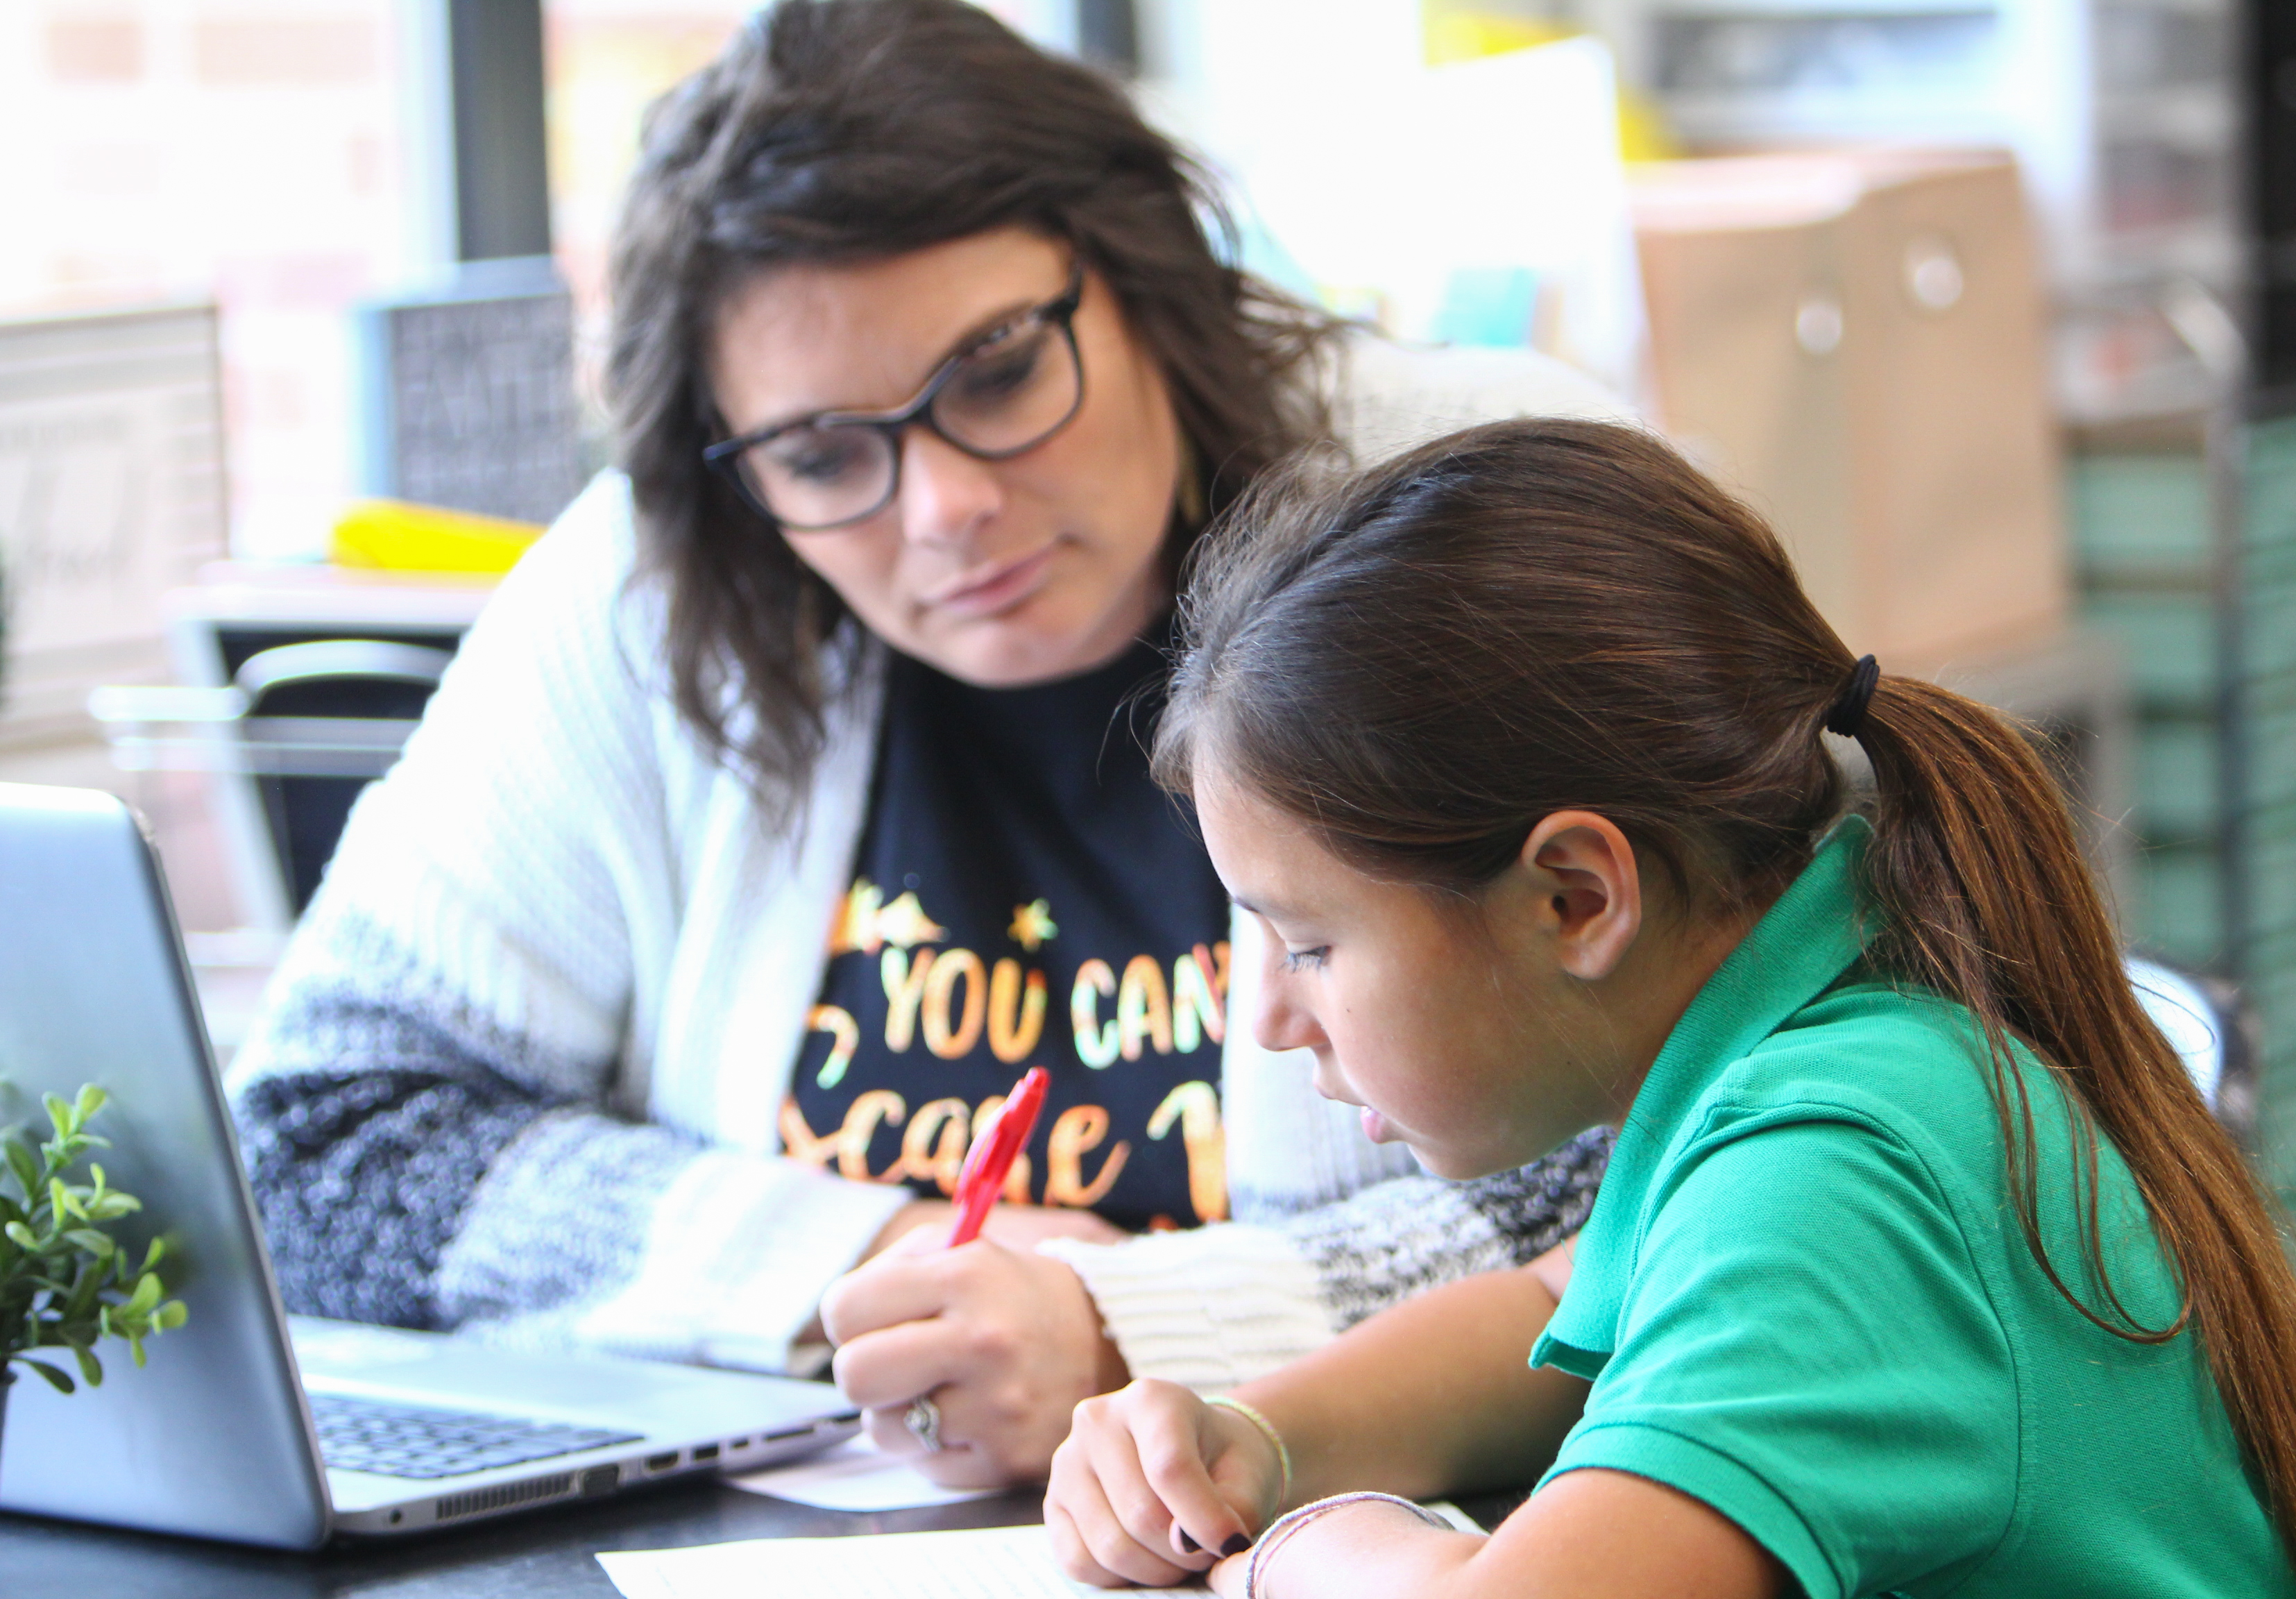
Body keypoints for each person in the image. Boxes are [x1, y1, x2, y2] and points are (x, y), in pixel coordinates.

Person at [226, 0, 1628, 1487]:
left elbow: (1720, 1157)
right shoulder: (652, 589)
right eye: (825, 455)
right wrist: (870, 1267)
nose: (944, 506)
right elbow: (324, 1146)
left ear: (1141, 275)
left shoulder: (1470, 506)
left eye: (1000, 373)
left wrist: (1121, 1332)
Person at [1044, 417, 2296, 1598]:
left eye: (1313, 943)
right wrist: (1254, 1439)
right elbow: (1558, 1321)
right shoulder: (1820, 1030)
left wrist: (1299, 1545)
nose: (1274, 1019)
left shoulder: (1838, 1167)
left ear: (1577, 898)